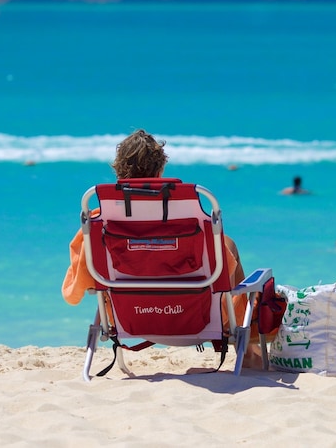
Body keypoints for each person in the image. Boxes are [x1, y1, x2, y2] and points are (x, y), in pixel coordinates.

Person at [61, 129, 260, 361]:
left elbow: (80, 284)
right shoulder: (189, 214)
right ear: (160, 170)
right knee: (227, 245)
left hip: (130, 318)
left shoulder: (100, 221)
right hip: (197, 317)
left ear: (118, 170)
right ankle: (246, 351)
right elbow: (221, 276)